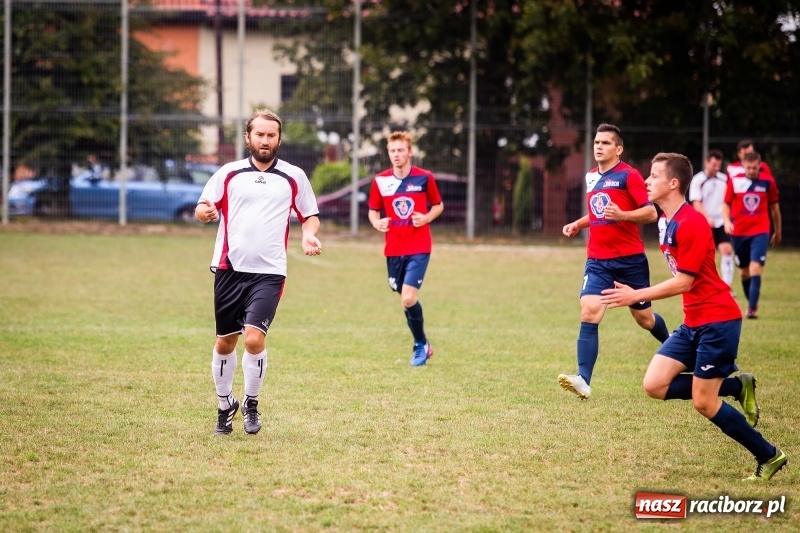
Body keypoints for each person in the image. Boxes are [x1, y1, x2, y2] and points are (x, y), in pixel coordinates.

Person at [601, 152, 786, 481]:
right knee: (654, 385)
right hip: (693, 322)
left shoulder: (693, 223)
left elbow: (684, 281)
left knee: (703, 402)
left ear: (673, 183)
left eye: (654, 176)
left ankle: (768, 455)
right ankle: (735, 385)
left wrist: (635, 294)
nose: (646, 181)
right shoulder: (663, 221)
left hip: (718, 321)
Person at [195, 109, 322, 435]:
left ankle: (251, 403)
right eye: (260, 134)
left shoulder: (293, 176)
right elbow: (203, 206)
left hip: (269, 273)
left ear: (279, 139)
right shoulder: (229, 173)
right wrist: (204, 213)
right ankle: (225, 405)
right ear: (248, 137)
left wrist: (309, 234)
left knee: (253, 339)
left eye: (271, 135)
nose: (265, 140)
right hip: (229, 269)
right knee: (225, 343)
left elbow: (310, 215)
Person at [558, 124, 670, 399]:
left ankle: (677, 348)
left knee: (644, 319)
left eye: (606, 143)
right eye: (597, 142)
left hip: (630, 261)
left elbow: (650, 213)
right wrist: (579, 223)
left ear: (618, 149)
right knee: (589, 309)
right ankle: (583, 379)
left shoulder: (628, 175)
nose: (599, 146)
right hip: (598, 259)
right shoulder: (590, 177)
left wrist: (622, 215)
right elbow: (599, 213)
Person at [368, 131, 443, 367]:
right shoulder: (381, 180)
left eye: (401, 150)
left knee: (409, 298)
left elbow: (438, 205)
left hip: (419, 246)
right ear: (388, 153)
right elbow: (373, 210)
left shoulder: (424, 178)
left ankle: (421, 344)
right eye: (392, 151)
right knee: (404, 300)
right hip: (393, 249)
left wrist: (427, 217)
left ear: (409, 152)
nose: (396, 154)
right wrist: (376, 222)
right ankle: (423, 343)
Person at [722, 151, 781, 319]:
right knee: (744, 272)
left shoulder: (768, 182)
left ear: (760, 166)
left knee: (756, 268)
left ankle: (752, 308)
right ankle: (752, 302)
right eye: (748, 168)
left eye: (754, 168)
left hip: (760, 231)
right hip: (739, 232)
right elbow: (725, 205)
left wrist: (778, 230)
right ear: (743, 166)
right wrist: (727, 221)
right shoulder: (735, 181)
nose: (751, 171)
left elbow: (775, 209)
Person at [688, 149, 734, 287]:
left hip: (721, 221)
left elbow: (729, 201)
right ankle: (705, 284)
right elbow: (696, 201)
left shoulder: (724, 179)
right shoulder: (698, 180)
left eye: (718, 165)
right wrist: (706, 218)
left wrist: (727, 219)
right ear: (706, 163)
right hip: (704, 222)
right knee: (706, 255)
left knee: (727, 250)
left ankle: (727, 286)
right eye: (713, 164)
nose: (716, 168)